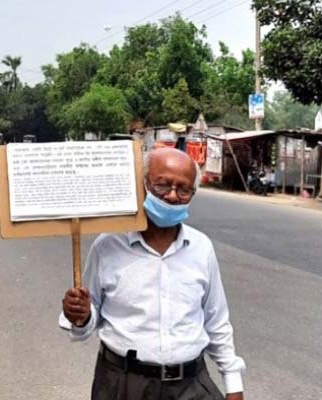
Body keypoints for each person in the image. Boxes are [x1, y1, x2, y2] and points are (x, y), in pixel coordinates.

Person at [60, 148, 245, 400]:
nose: (171, 196)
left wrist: (233, 384)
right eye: (162, 186)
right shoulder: (108, 246)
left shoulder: (202, 248)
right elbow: (88, 320)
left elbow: (216, 321)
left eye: (183, 190)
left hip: (191, 385)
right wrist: (80, 316)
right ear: (143, 184)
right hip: (123, 385)